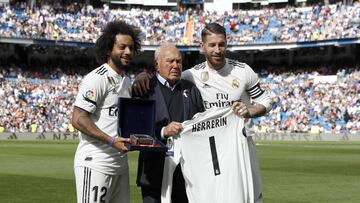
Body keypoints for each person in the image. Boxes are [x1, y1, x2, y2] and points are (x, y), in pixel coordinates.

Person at [133, 23, 272, 203]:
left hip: (240, 147)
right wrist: (142, 76)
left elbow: (266, 101)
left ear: (226, 44)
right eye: (212, 45)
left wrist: (249, 111)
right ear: (202, 46)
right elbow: (163, 78)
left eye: (221, 44)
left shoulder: (243, 71)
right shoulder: (192, 75)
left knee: (248, 197)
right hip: (208, 152)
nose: (217, 50)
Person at [71, 20, 141, 203]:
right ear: (109, 49)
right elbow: (78, 119)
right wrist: (110, 140)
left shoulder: (126, 82)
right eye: (122, 47)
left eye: (131, 48)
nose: (128, 52)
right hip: (96, 163)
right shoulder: (97, 79)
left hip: (120, 166)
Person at [134, 43, 205, 203]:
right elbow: (135, 134)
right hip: (153, 174)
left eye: (178, 61)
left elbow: (203, 126)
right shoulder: (144, 88)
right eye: (170, 61)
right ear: (157, 65)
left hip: (186, 175)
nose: (175, 65)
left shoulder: (191, 89)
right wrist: (162, 132)